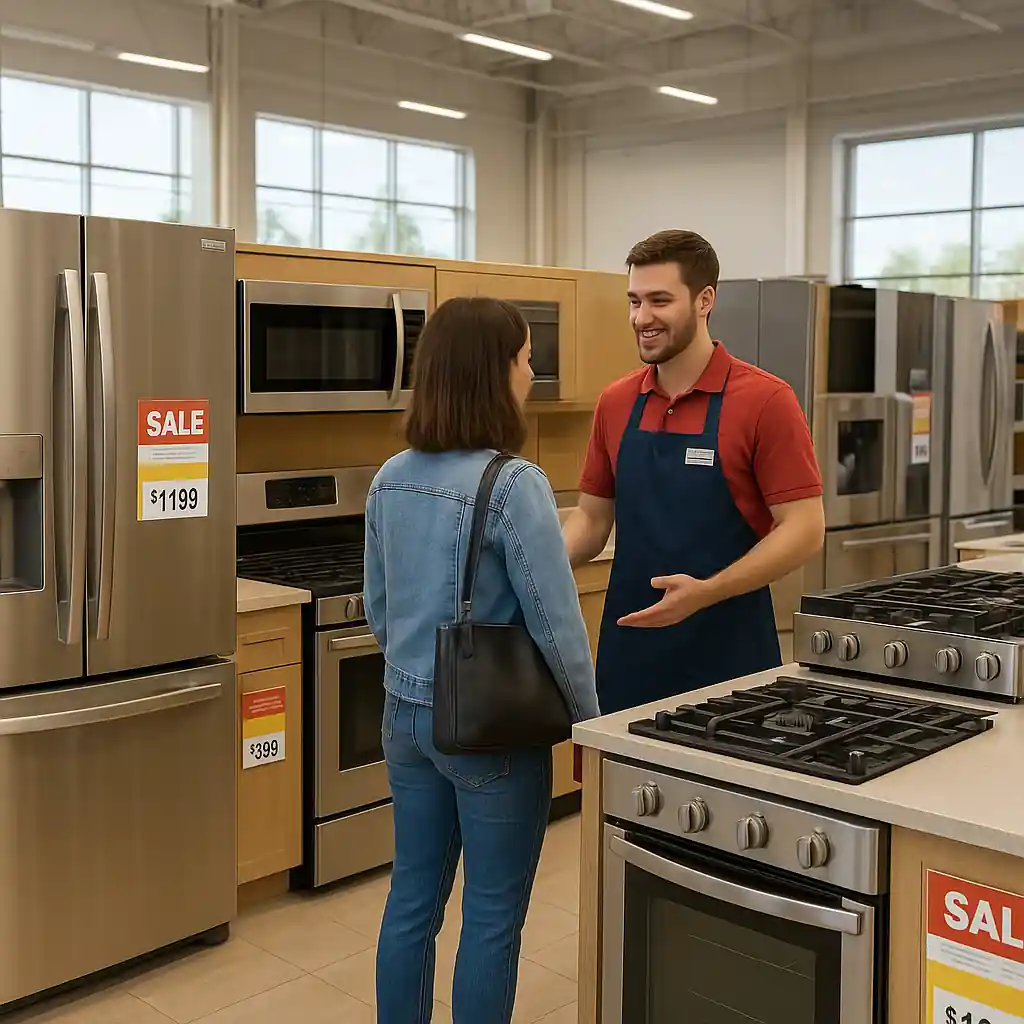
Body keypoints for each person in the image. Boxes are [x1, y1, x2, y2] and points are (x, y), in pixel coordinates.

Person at [364, 296, 600, 1024]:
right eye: (526, 358)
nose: (531, 372)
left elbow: (378, 608)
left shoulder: (389, 476)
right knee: (493, 916)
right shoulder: (514, 484)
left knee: (412, 899)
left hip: (404, 717)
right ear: (493, 373)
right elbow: (556, 625)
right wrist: (591, 726)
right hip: (491, 731)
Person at [563, 229, 825, 714]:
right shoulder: (617, 401)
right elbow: (593, 519)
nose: (642, 318)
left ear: (705, 300)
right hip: (630, 654)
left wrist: (706, 593)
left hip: (729, 659)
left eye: (660, 300)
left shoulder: (766, 400)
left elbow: (805, 529)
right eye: (634, 301)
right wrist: (534, 565)